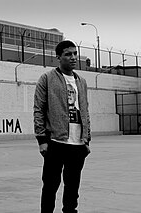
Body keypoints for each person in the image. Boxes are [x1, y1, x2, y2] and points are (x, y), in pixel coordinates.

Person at [33, 40, 91, 213]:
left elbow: (85, 110)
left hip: (78, 143)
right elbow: (39, 109)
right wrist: (42, 139)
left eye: (74, 53)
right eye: (68, 54)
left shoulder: (81, 81)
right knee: (50, 186)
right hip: (55, 142)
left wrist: (86, 139)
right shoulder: (47, 79)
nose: (73, 57)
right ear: (58, 57)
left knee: (72, 188)